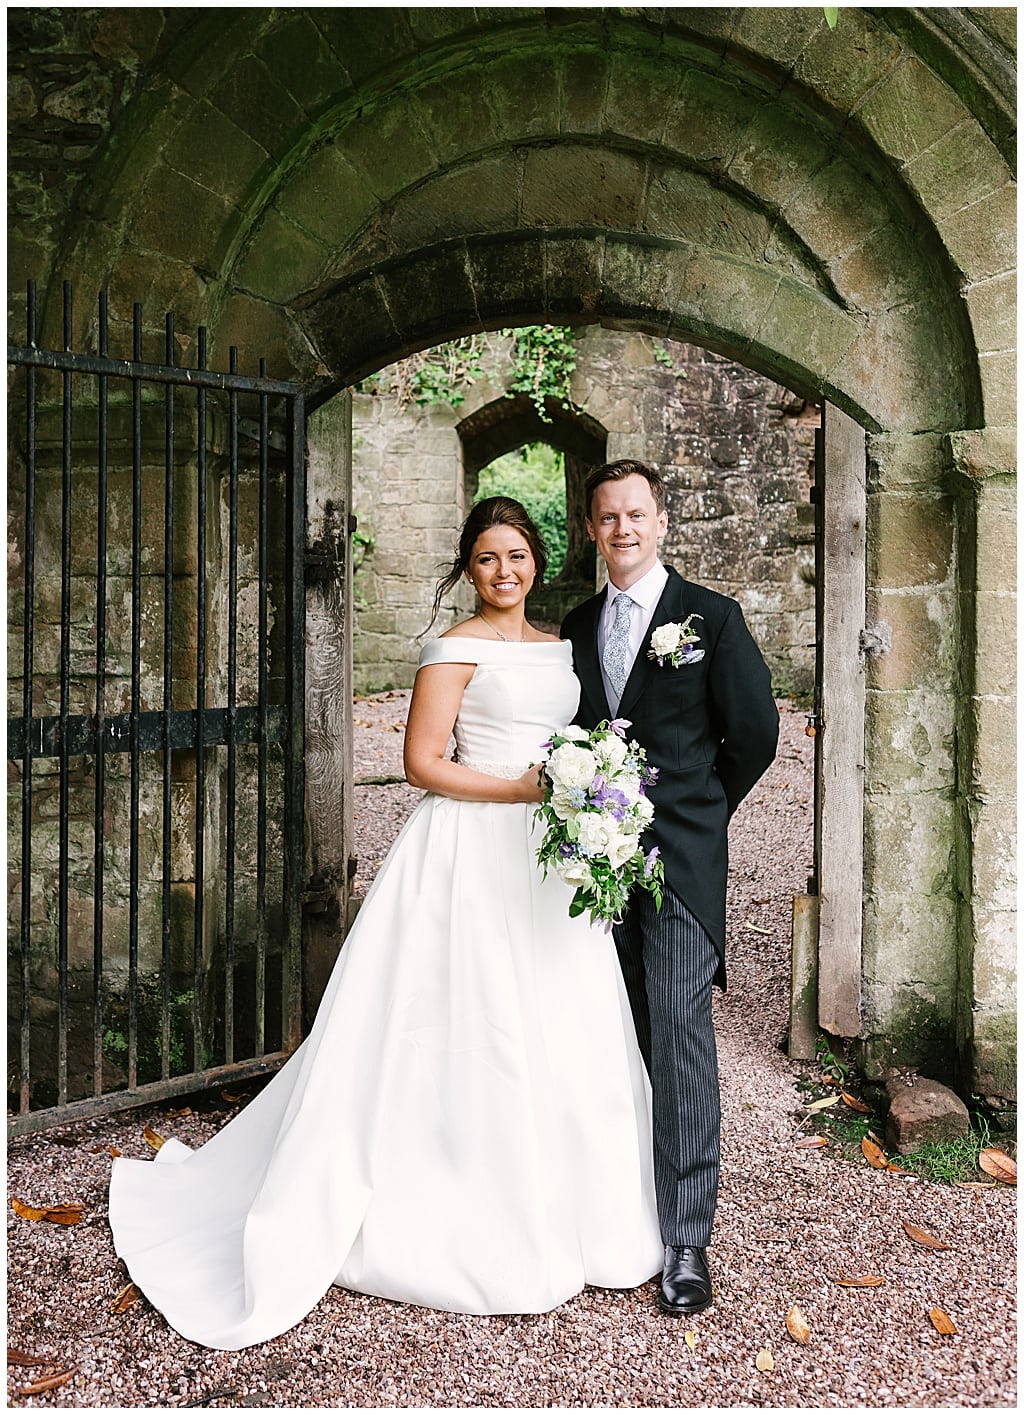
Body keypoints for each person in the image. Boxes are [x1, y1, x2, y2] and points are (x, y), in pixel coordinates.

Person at [108, 497, 662, 1351]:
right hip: (469, 852)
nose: (504, 571)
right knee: (470, 1024)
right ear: (467, 568)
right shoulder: (452, 647)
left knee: (565, 1018)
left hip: (548, 860)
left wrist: (582, 788)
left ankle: (584, 1215)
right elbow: (421, 763)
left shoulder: (561, 642)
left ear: (538, 562)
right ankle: (463, 1212)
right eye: (487, 559)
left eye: (516, 556)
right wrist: (524, 789)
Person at [561, 460, 779, 1317]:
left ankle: (687, 1237)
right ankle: (612, 1200)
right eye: (608, 516)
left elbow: (755, 732)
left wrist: (700, 805)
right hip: (597, 861)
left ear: (663, 523)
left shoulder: (710, 618)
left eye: (637, 514)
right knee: (608, 1020)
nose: (623, 528)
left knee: (680, 1023)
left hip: (682, 856)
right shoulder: (576, 625)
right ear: (591, 528)